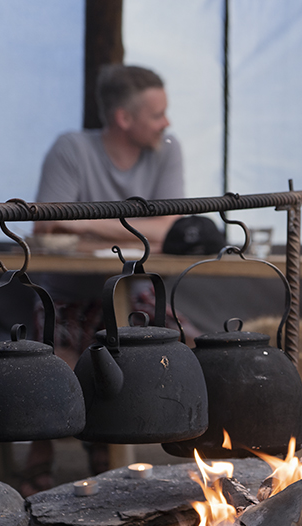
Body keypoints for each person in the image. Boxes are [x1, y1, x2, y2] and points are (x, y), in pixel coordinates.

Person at [19, 64, 184, 497]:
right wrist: (138, 224)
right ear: (124, 119)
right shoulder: (71, 149)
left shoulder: (167, 149)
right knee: (52, 360)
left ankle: (109, 447)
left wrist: (87, 222)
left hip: (136, 290)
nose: (167, 123)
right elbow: (45, 226)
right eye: (157, 114)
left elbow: (171, 232)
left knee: (164, 346)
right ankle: (46, 450)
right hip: (67, 293)